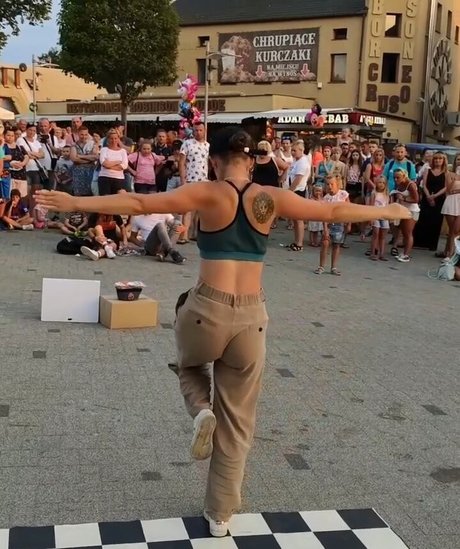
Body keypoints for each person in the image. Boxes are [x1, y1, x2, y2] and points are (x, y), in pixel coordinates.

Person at [36, 126, 409, 538]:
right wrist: (390, 211)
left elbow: (139, 200)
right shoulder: (271, 198)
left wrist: (74, 201)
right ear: (252, 161)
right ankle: (220, 516)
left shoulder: (208, 193)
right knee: (238, 422)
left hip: (206, 309)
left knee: (189, 365)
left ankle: (200, 410)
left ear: (214, 161)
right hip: (251, 317)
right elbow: (333, 213)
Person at [178, 122, 209, 243]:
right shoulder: (187, 143)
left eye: (200, 130)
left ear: (204, 131)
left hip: (203, 180)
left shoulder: (207, 145)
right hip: (190, 179)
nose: (198, 132)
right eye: (196, 130)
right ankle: (183, 235)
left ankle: (195, 233)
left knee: (200, 209)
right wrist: (183, 179)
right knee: (187, 209)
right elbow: (181, 162)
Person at [314, 175, 350, 275]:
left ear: (337, 184)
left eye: (332, 184)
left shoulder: (343, 194)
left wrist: (349, 223)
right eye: (327, 184)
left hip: (340, 224)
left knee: (336, 245)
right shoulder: (326, 198)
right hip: (329, 224)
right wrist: (325, 228)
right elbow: (324, 215)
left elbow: (350, 209)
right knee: (325, 244)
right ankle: (321, 266)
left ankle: (333, 267)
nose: (330, 186)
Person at [413, 152, 448, 252]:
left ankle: (432, 244)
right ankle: (419, 242)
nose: (437, 161)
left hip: (439, 198)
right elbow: (424, 185)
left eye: (440, 159)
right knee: (424, 218)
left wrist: (434, 196)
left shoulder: (446, 173)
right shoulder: (427, 171)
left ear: (443, 161)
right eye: (436, 159)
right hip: (427, 197)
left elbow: (446, 187)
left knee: (436, 220)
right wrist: (429, 196)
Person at [286, 139, 311, 251]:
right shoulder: (296, 161)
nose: (292, 152)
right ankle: (296, 241)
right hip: (294, 190)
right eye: (292, 150)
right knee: (295, 218)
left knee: (299, 218)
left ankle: (299, 243)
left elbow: (298, 179)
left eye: (294, 150)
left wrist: (290, 191)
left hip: (298, 191)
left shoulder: (303, 162)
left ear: (301, 150)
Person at [391, 169, 420, 263]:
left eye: (398, 177)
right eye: (394, 177)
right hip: (403, 210)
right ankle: (404, 252)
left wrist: (403, 199)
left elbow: (416, 199)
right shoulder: (399, 184)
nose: (396, 179)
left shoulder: (411, 185)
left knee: (408, 233)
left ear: (404, 176)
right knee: (403, 232)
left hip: (412, 211)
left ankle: (406, 255)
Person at [441, 153, 460, 258]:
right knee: (452, 229)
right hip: (451, 202)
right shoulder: (449, 174)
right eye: (458, 159)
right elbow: (449, 190)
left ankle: (450, 253)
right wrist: (455, 177)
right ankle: (449, 253)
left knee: (456, 230)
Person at [98, 129, 129, 196]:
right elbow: (104, 163)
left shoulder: (123, 151)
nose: (113, 140)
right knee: (105, 199)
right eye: (111, 138)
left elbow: (124, 166)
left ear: (118, 139)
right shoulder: (104, 150)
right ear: (108, 139)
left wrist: (109, 166)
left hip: (118, 179)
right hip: (105, 177)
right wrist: (117, 162)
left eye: (115, 138)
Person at [70, 126, 98, 197]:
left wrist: (80, 156)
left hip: (90, 172)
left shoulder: (92, 144)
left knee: (90, 193)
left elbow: (95, 157)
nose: (84, 136)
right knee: (78, 194)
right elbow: (74, 158)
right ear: (78, 134)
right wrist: (89, 159)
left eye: (86, 134)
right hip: (78, 173)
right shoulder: (74, 145)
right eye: (82, 134)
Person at [369, 176, 390, 261]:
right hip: (375, 215)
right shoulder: (374, 193)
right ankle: (372, 253)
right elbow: (371, 206)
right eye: (380, 182)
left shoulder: (387, 193)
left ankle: (382, 254)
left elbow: (388, 205)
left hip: (384, 216)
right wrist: (371, 218)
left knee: (383, 236)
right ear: (376, 183)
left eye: (383, 183)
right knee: (376, 234)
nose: (381, 184)